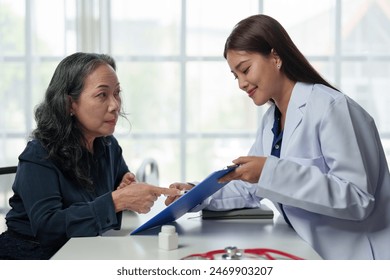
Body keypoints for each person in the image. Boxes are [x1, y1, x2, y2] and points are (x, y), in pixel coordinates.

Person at [166, 14, 390, 260]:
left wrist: (270, 172)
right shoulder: (272, 119)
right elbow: (249, 187)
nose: (241, 83)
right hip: (309, 251)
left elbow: (359, 199)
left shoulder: (332, 108)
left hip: (358, 257)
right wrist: (195, 193)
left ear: (275, 57)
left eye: (245, 69)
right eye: (235, 76)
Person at [0, 52, 179, 260]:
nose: (115, 105)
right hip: (33, 256)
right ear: (70, 104)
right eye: (102, 95)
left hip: (85, 248)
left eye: (117, 93)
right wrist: (116, 201)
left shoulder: (109, 145)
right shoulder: (38, 154)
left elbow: (121, 191)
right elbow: (48, 228)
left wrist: (128, 189)